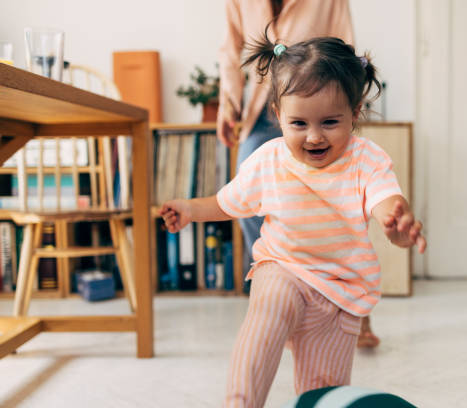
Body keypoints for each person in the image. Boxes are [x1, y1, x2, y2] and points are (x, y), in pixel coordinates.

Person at [162, 33, 426, 408]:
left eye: (330, 122)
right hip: (283, 267)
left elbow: (386, 202)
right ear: (277, 114)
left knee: (322, 392)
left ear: (356, 111)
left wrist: (398, 226)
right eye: (299, 123)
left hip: (339, 290)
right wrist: (190, 209)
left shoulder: (366, 159)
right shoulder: (269, 160)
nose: (314, 137)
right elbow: (228, 202)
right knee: (265, 319)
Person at [217, 0, 381, 349]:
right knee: (246, 195)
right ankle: (280, 297)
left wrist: (349, 106)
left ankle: (353, 305)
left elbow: (345, 42)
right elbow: (231, 49)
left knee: (344, 205)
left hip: (324, 105)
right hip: (265, 108)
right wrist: (228, 102)